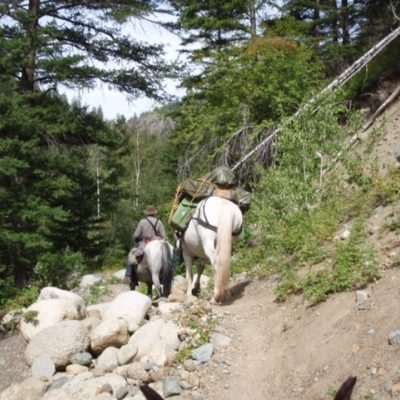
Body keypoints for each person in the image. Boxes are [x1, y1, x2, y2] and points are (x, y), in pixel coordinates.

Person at [125, 205, 167, 289]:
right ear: (154, 213)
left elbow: (136, 235)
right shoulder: (159, 222)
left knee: (131, 254)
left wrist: (137, 237)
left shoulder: (142, 222)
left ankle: (129, 275)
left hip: (144, 243)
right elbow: (165, 237)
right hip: (157, 243)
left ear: (147, 214)